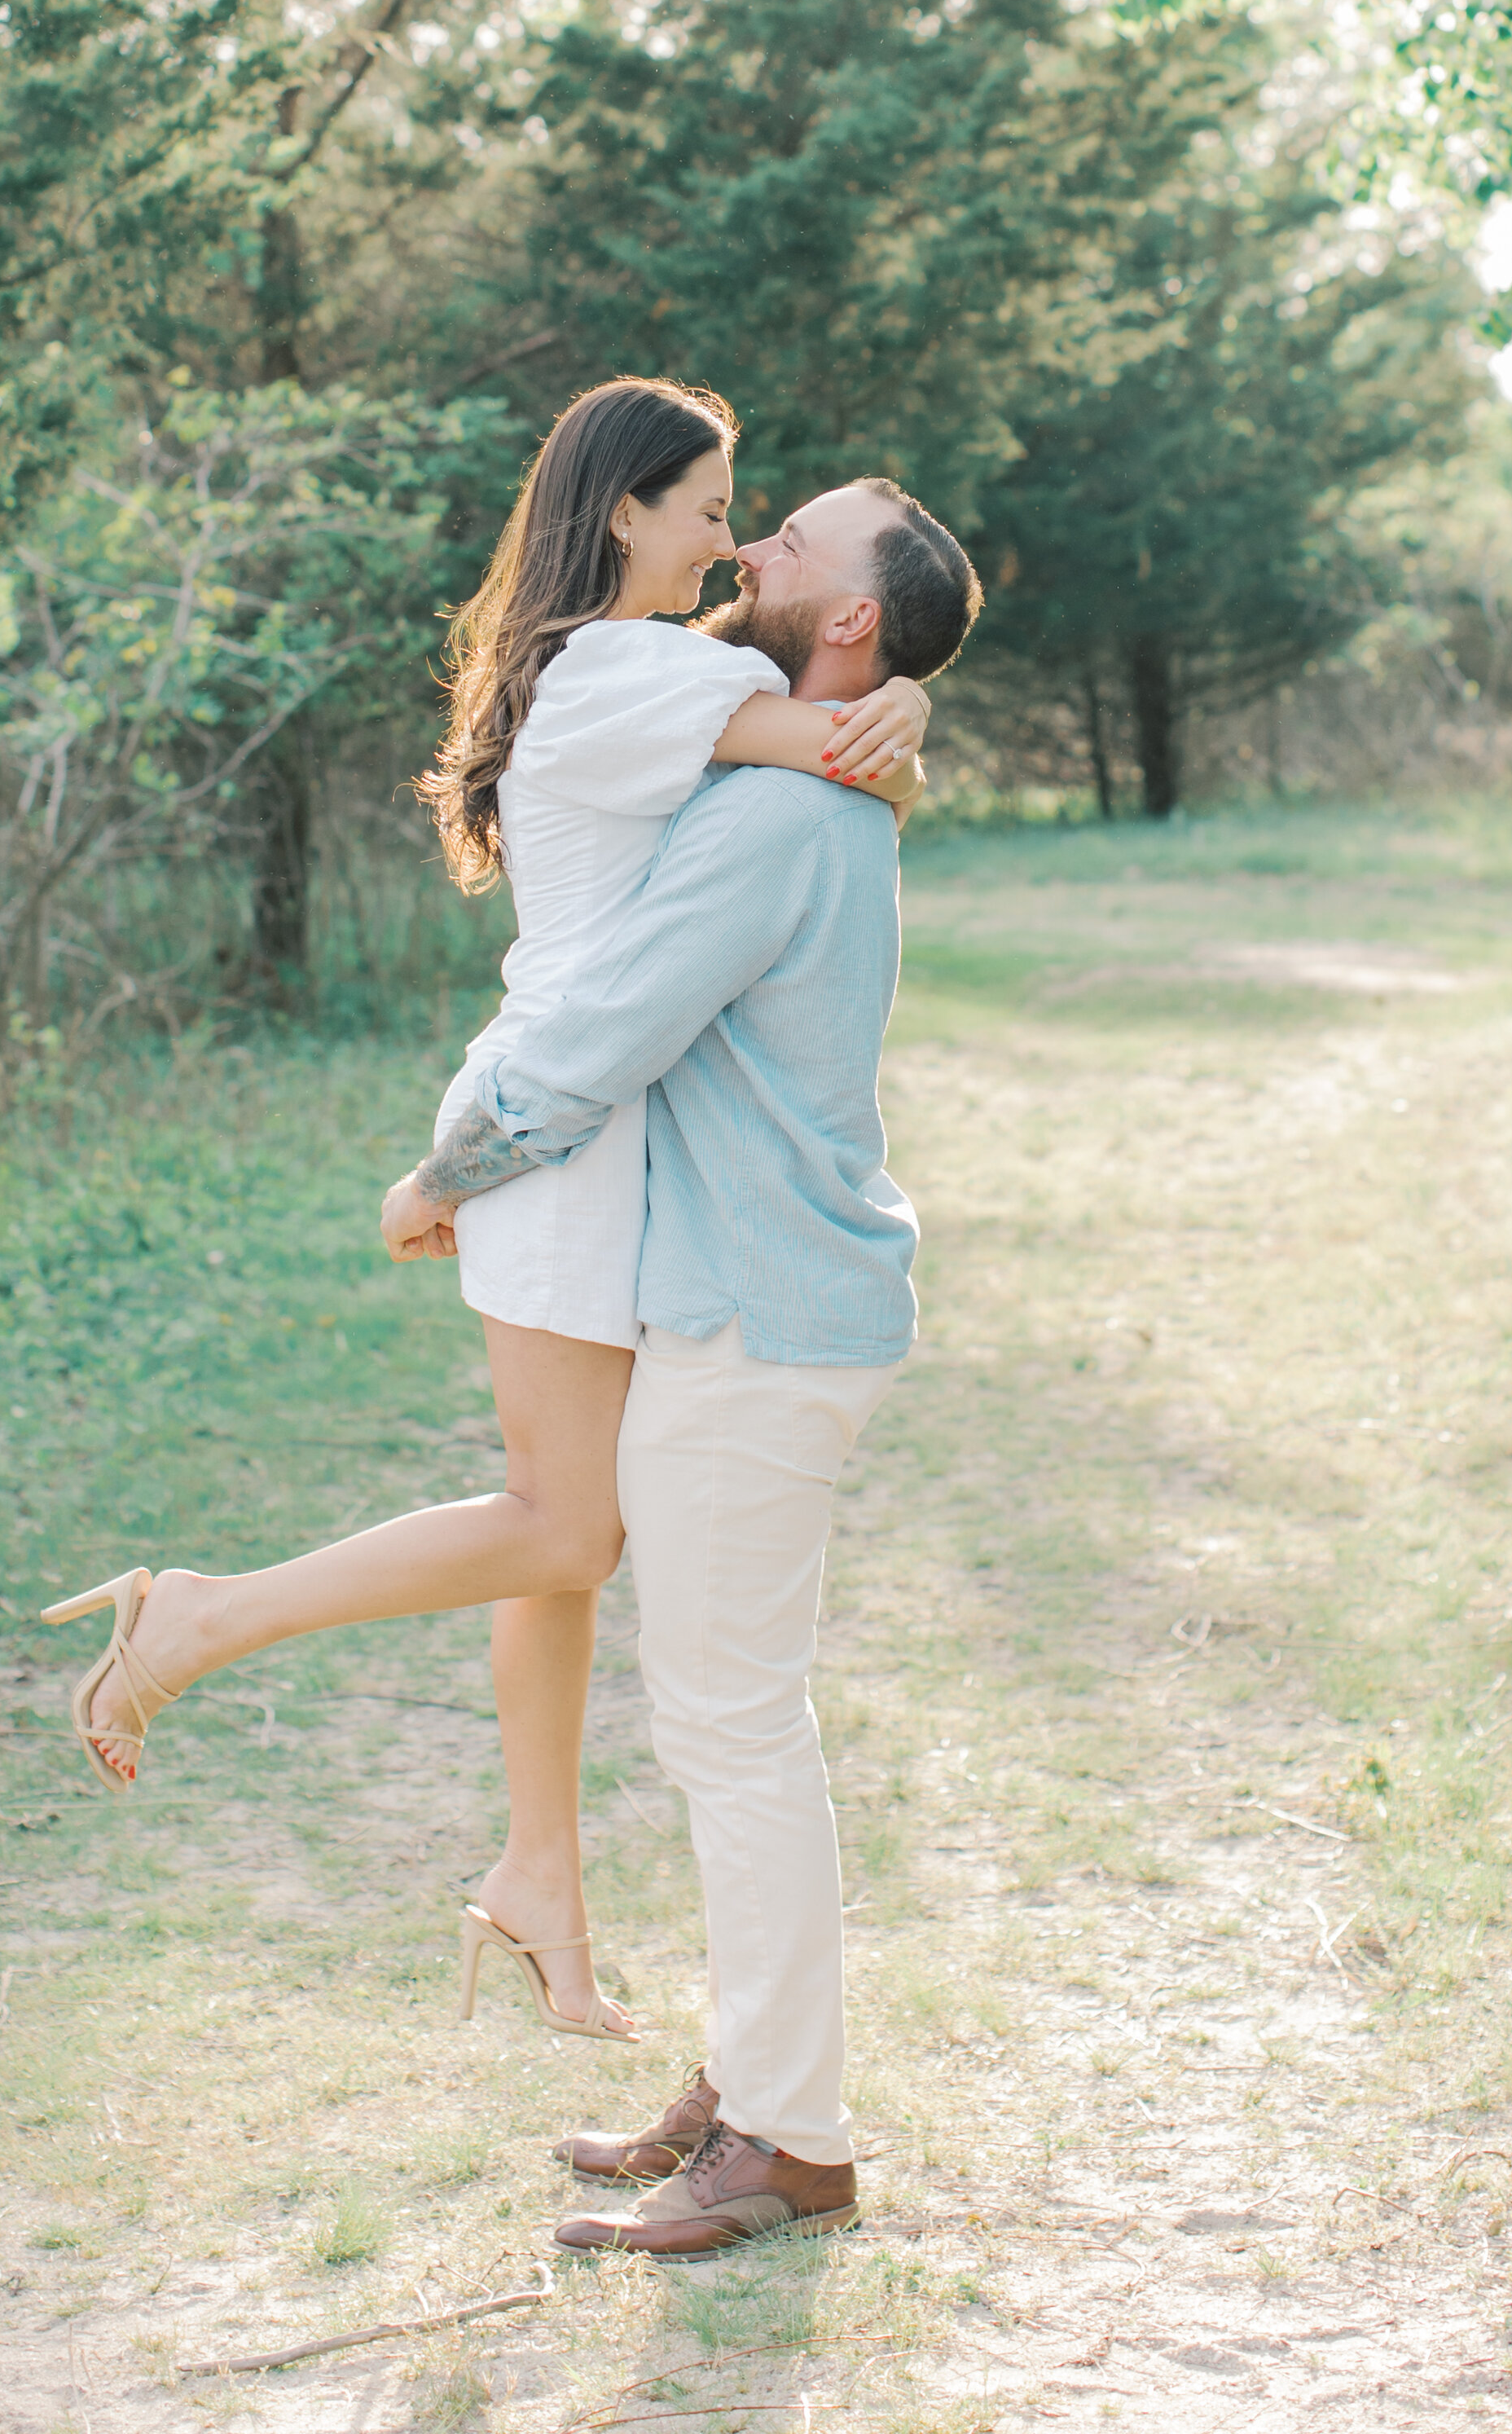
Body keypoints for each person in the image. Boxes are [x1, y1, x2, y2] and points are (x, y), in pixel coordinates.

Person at [38, 376, 934, 2042]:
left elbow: (823, 733)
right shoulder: (615, 672)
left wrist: (898, 721)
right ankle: (197, 1617)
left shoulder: (657, 666)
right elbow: (830, 738)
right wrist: (902, 722)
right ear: (626, 516)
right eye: (712, 505)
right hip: (559, 1128)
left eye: (743, 512)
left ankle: (539, 1882)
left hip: (596, 1126)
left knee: (563, 1537)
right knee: (564, 1523)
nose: (732, 534)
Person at [382, 471, 982, 2255]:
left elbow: (613, 1022)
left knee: (734, 1732)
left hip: (759, 1321)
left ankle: (790, 2137)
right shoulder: (812, 770)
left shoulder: (778, 818)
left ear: (855, 620)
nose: (754, 549)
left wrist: (447, 1171)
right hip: (764, 1309)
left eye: (794, 540)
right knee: (729, 1724)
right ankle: (751, 2081)